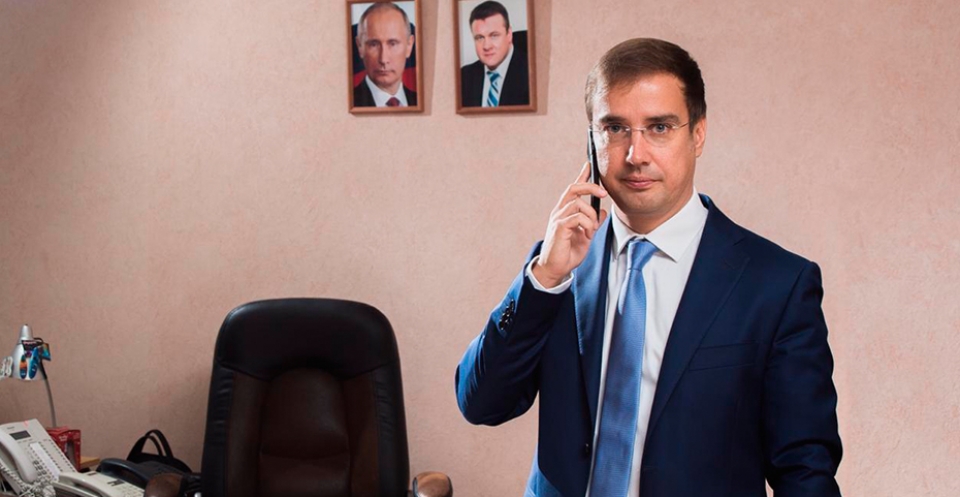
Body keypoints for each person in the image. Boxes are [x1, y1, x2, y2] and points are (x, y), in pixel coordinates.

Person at [455, 38, 842, 496]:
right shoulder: (559, 268)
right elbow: (481, 403)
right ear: (591, 140)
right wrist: (544, 278)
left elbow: (805, 472)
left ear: (698, 134)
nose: (635, 154)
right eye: (615, 128)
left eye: (659, 127)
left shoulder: (776, 285)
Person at [459, 1, 529, 107]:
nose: (487, 46)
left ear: (509, 34)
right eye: (480, 38)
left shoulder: (532, 73)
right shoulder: (464, 77)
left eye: (494, 36)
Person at [353, 2, 417, 108]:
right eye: (374, 44)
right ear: (360, 46)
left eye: (393, 44)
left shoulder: (421, 101)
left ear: (409, 45)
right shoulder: (346, 103)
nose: (383, 59)